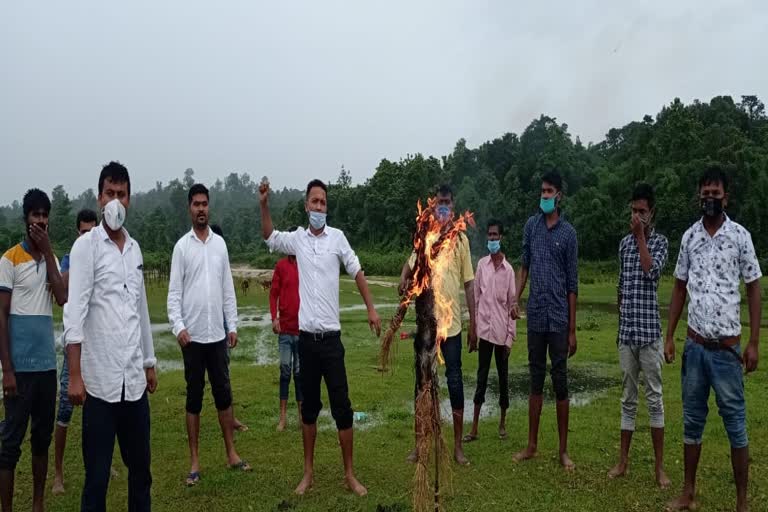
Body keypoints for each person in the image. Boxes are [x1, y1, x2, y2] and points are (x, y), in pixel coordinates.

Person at [259, 178, 381, 497]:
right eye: (314, 201)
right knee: (309, 409)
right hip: (306, 342)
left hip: (331, 343)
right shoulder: (298, 240)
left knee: (342, 407)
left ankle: (349, 474)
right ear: (306, 206)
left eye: (323, 202)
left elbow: (357, 271)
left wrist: (371, 309)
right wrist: (263, 205)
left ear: (327, 207)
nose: (318, 207)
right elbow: (270, 236)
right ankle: (308, 473)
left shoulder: (337, 239)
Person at [665, 166, 762, 512]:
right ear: (699, 196)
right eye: (705, 193)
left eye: (715, 194)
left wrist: (753, 342)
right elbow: (678, 288)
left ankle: (741, 503)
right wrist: (670, 336)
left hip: (726, 350)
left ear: (726, 197)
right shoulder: (689, 237)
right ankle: (688, 493)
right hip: (694, 346)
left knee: (735, 422)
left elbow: (753, 287)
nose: (710, 199)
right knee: (692, 420)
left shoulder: (740, 237)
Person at [64, 161, 158, 512]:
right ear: (99, 197)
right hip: (99, 386)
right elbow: (75, 312)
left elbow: (141, 310)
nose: (115, 201)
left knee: (141, 474)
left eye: (121, 194)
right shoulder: (86, 248)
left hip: (133, 383)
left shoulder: (133, 250)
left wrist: (149, 363)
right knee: (97, 478)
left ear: (129, 199)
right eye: (109, 194)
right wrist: (74, 375)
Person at [167, 184, 247, 487]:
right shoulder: (181, 247)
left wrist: (233, 326)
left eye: (205, 204)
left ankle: (231, 453)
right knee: (194, 398)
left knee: (223, 395)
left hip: (217, 336)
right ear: (189, 208)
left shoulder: (220, 246)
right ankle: (195, 461)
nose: (201, 209)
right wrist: (179, 327)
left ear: (209, 207)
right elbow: (174, 294)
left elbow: (228, 289)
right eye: (196, 204)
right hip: (193, 338)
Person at [399, 184, 477, 466]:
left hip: (453, 326)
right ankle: (420, 445)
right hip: (427, 328)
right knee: (422, 385)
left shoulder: (461, 240)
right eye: (439, 202)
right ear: (432, 206)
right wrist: (403, 278)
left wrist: (474, 323)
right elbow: (409, 264)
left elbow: (469, 284)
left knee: (455, 383)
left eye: (447, 202)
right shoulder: (426, 235)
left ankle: (457, 447)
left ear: (453, 206)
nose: (443, 206)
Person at [0, 189, 66, 512]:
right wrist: (7, 369)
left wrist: (48, 249)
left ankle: (38, 505)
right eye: (34, 215)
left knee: (41, 440)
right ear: (25, 219)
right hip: (19, 371)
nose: (40, 220)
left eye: (44, 215)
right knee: (10, 443)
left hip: (46, 369)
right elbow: (1, 315)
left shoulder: (51, 259)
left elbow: (63, 296)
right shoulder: (9, 259)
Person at [512, 171, 578, 471]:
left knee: (560, 381)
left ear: (559, 195)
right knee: (535, 379)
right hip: (536, 315)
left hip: (559, 317)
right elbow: (524, 266)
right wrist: (516, 297)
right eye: (542, 191)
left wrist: (573, 329)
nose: (545, 196)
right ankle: (531, 445)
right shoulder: (531, 226)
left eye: (549, 191)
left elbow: (572, 284)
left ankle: (563, 451)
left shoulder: (568, 234)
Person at [607, 184, 671, 487]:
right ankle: (623, 462)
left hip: (649, 334)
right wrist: (621, 320)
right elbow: (622, 285)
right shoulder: (623, 244)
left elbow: (651, 271)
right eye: (633, 211)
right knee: (628, 399)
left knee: (654, 398)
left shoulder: (660, 242)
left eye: (642, 211)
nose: (636, 216)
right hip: (627, 333)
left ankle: (659, 468)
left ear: (652, 212)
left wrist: (641, 237)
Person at [52, 208, 98, 496]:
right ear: (76, 233)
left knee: (99, 411)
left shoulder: (104, 256)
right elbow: (62, 291)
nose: (87, 238)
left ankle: (100, 463)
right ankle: (57, 474)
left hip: (98, 347)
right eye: (83, 233)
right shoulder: (72, 258)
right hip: (75, 346)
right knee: (65, 410)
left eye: (92, 233)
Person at [464, 219, 516, 443]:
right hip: (484, 332)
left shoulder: (509, 271)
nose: (492, 239)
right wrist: (473, 330)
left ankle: (502, 423)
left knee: (503, 379)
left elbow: (512, 306)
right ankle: (474, 427)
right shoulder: (481, 266)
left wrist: (510, 339)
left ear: (501, 238)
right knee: (481, 377)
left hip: (501, 334)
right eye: (490, 236)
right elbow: (475, 300)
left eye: (495, 235)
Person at [209, 224, 247, 434]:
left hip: (222, 324)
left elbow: (228, 296)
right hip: (207, 329)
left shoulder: (221, 260)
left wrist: (231, 326)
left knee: (224, 373)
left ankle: (230, 417)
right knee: (218, 376)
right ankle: (228, 417)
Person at [269, 252, 302, 431]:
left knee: (299, 373)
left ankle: (301, 416)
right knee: (285, 371)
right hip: (285, 330)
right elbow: (273, 294)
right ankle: (282, 418)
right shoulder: (281, 266)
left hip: (302, 329)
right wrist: (274, 318)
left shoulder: (305, 263)